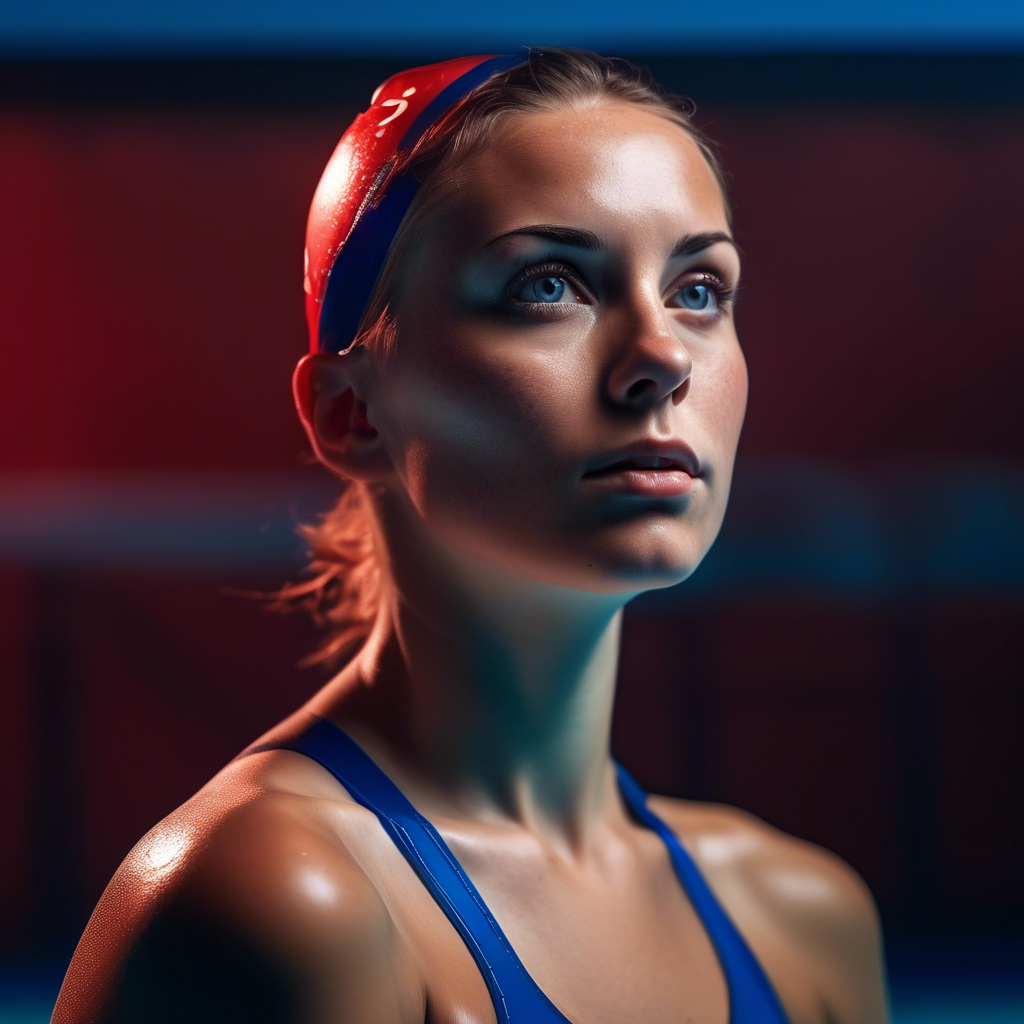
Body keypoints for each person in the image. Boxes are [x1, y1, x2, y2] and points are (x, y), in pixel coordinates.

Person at [51, 48, 891, 1024]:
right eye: (547, 285)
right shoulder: (286, 898)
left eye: (698, 289)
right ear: (350, 414)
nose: (662, 356)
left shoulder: (801, 919)